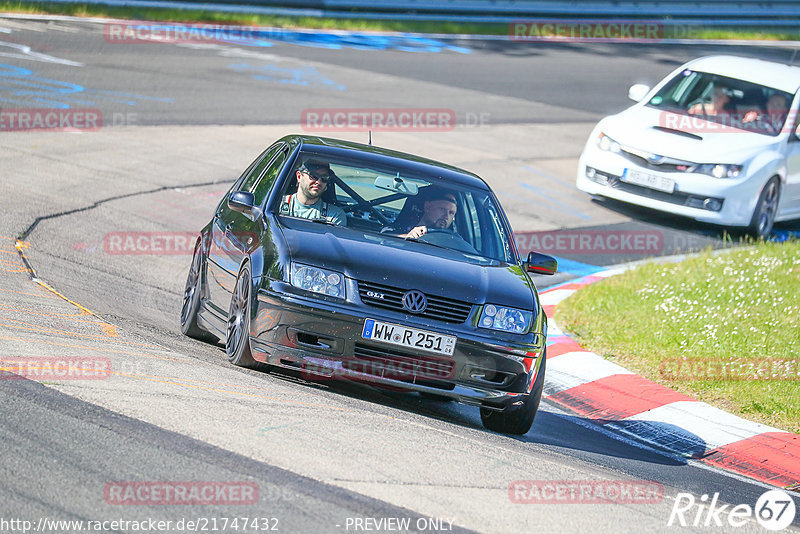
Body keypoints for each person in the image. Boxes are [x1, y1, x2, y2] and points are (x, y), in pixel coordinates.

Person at [280, 158, 346, 225]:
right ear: (299, 176)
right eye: (313, 176)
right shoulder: (278, 205)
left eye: (324, 178)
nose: (319, 182)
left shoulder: (334, 216)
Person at [384, 187, 458, 239]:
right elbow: (383, 238)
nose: (446, 216)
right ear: (427, 207)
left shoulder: (453, 240)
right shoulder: (401, 227)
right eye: (442, 209)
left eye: (451, 213)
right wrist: (408, 237)